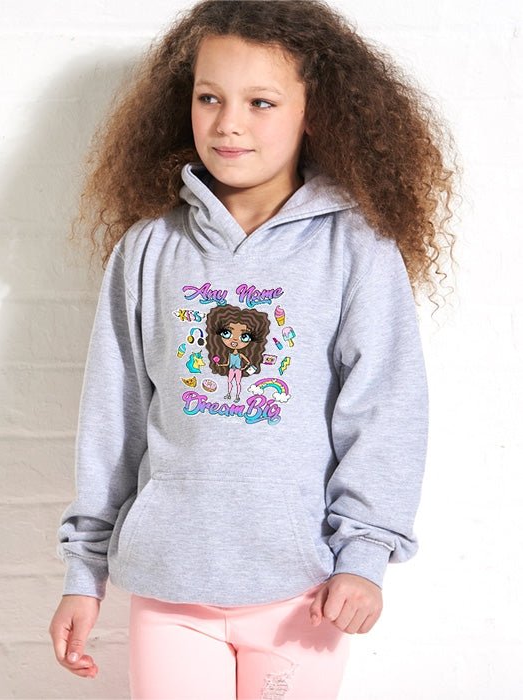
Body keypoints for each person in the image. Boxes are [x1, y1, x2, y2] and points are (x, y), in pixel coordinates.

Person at [49, 1, 456, 697]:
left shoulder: (356, 249)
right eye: (209, 97)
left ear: (314, 113)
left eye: (260, 102)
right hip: (169, 588)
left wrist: (364, 554)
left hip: (304, 592)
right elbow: (112, 417)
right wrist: (83, 573)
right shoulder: (148, 249)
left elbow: (385, 410)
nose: (227, 123)